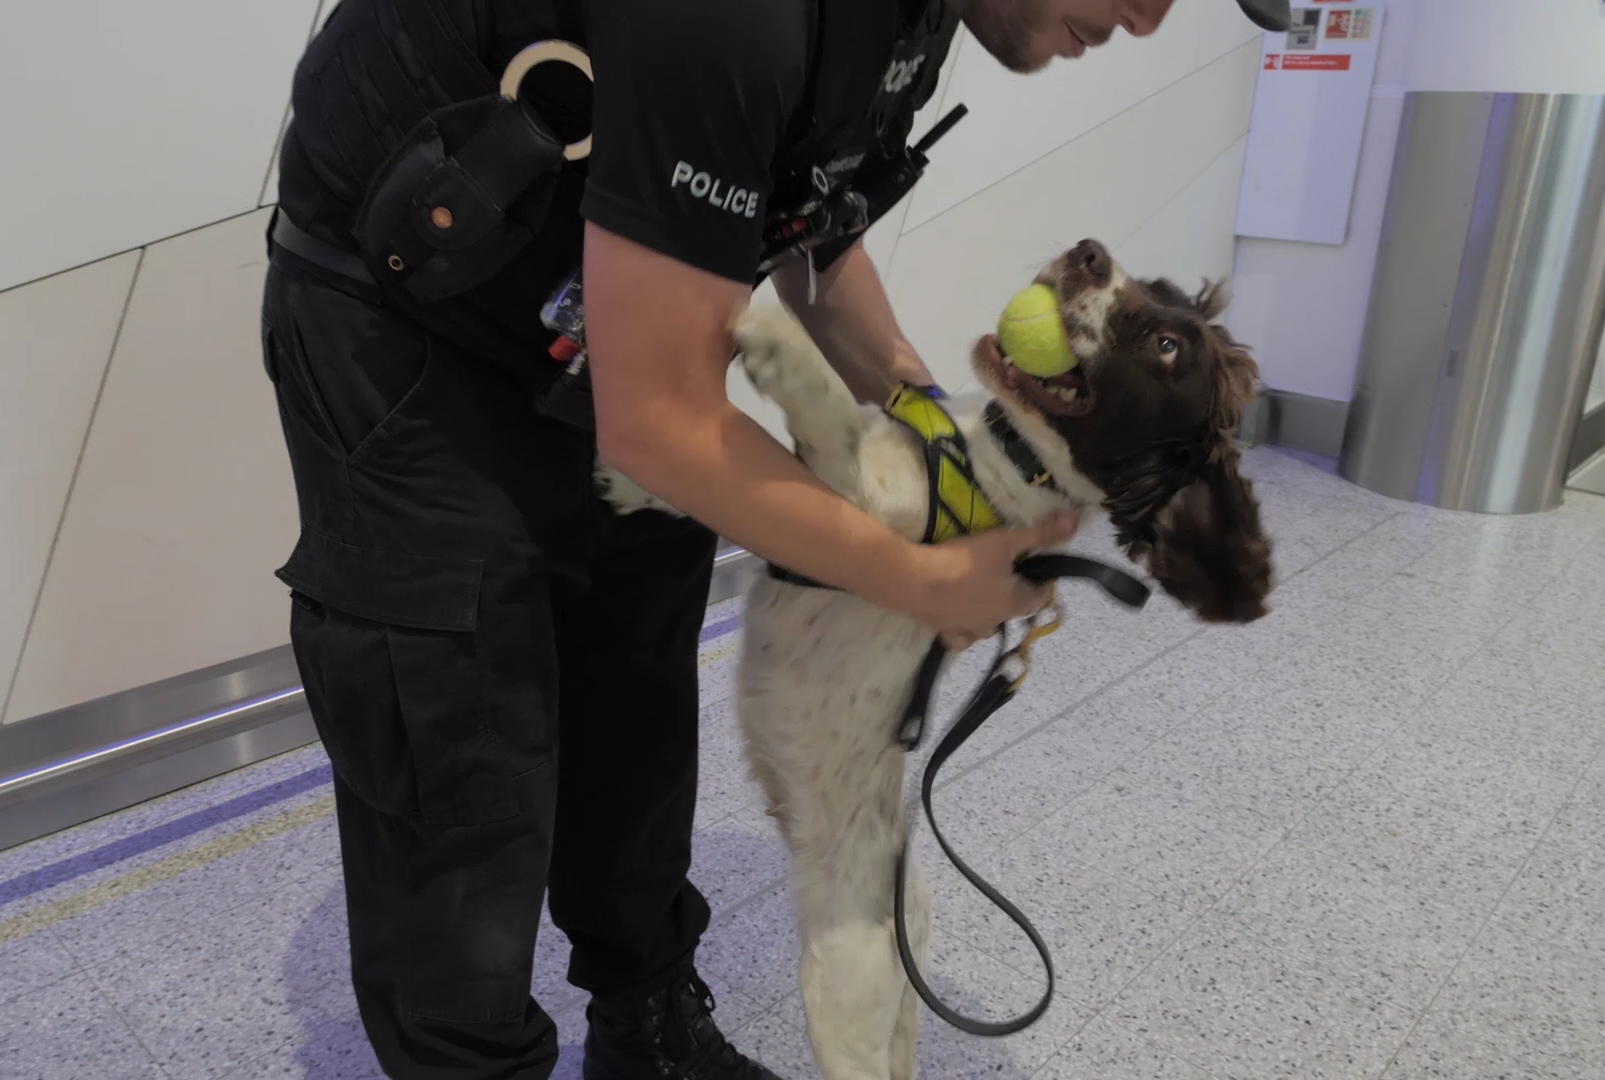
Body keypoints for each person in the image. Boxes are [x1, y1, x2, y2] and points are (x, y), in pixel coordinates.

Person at [258, 0, 1290, 1076]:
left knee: (636, 702)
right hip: (417, 330)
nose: (1152, 13)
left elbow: (812, 231)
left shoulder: (917, 18)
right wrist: (921, 579)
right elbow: (661, 419)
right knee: (461, 752)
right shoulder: (734, 15)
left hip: (606, 325)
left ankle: (647, 1026)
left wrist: (940, 448)